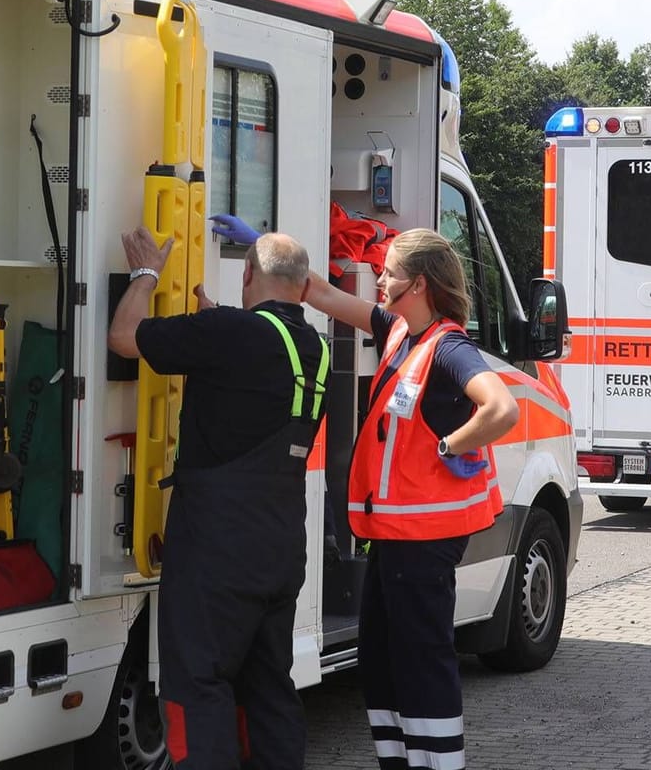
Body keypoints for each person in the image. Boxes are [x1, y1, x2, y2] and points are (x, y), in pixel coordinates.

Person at [106, 224, 329, 770]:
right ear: (302, 288)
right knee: (269, 685)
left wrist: (144, 276)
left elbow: (124, 337)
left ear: (248, 274)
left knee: (198, 685)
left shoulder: (228, 333)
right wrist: (216, 319)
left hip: (216, 554)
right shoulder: (316, 348)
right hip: (279, 549)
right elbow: (253, 373)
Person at [300, 228, 519, 770]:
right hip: (395, 539)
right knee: (382, 659)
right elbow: (321, 294)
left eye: (389, 271)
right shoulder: (400, 331)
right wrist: (256, 240)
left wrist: (452, 443)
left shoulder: (448, 348)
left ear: (417, 284)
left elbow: (503, 409)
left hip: (424, 540)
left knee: (420, 661)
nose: (379, 277)